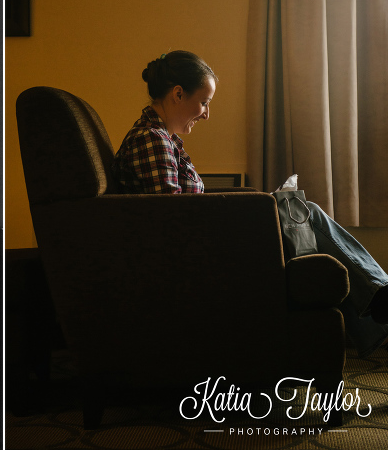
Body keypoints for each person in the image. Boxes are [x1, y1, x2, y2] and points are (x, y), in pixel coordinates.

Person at [112, 50, 388, 356]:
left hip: (207, 242)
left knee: (299, 217)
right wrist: (250, 213)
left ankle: (380, 315)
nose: (206, 113)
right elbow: (173, 218)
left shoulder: (164, 139)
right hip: (198, 255)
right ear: (178, 94)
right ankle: (381, 301)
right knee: (300, 213)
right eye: (204, 102)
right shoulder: (151, 139)